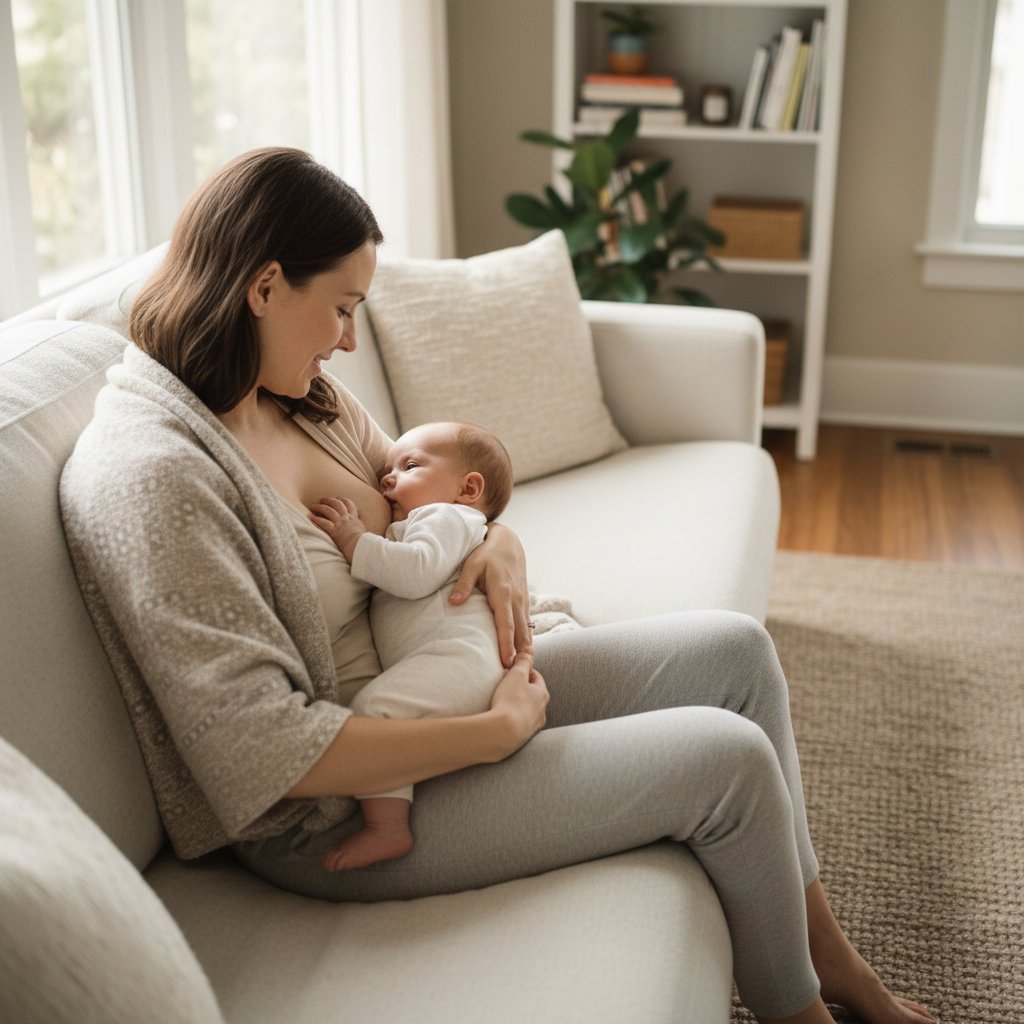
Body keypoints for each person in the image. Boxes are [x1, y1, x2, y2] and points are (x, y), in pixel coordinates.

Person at [59, 147, 933, 1024]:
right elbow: (263, 756)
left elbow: (431, 505)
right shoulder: (156, 479)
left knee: (735, 651)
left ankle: (833, 965)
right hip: (341, 805)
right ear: (265, 286)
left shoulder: (302, 395)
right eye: (342, 308)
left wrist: (499, 543)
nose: (349, 342)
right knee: (725, 761)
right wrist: (488, 735)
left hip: (441, 681)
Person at [308, 420, 514, 871]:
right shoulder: (446, 518)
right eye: (388, 469)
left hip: (457, 660)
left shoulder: (442, 517)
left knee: (374, 713)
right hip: (459, 662)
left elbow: (416, 572)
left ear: (468, 487)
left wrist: (353, 540)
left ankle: (387, 827)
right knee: (381, 716)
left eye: (410, 465)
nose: (387, 478)